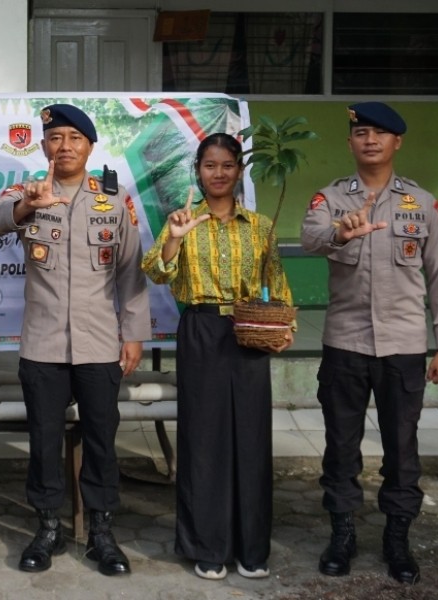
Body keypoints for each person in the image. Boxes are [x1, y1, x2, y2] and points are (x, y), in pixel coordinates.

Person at [0, 104, 151, 576]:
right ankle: (47, 528)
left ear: (90, 148)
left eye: (75, 138)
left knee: (101, 439)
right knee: (43, 441)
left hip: (100, 345)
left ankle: (101, 532)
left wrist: (134, 335)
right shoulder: (30, 194)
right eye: (56, 138)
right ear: (43, 147)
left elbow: (131, 274)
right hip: (43, 345)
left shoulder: (112, 204)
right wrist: (28, 205)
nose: (65, 146)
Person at [301, 102, 438, 585]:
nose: (370, 140)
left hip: (405, 346)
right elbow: (309, 240)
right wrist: (340, 233)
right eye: (361, 132)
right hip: (346, 344)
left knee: (401, 448)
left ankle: (397, 539)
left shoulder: (422, 203)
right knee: (341, 447)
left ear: (397, 142)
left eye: (381, 133)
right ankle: (343, 534)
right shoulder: (329, 199)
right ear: (349, 143)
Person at [141, 132, 294, 581]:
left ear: (239, 170)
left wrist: (285, 328)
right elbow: (155, 271)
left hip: (250, 331)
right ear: (198, 171)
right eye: (211, 165)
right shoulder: (184, 219)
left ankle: (251, 547)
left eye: (228, 165)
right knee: (204, 440)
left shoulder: (261, 225)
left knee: (251, 439)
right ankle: (207, 545)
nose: (219, 173)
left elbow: (277, 281)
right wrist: (174, 237)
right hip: (203, 331)